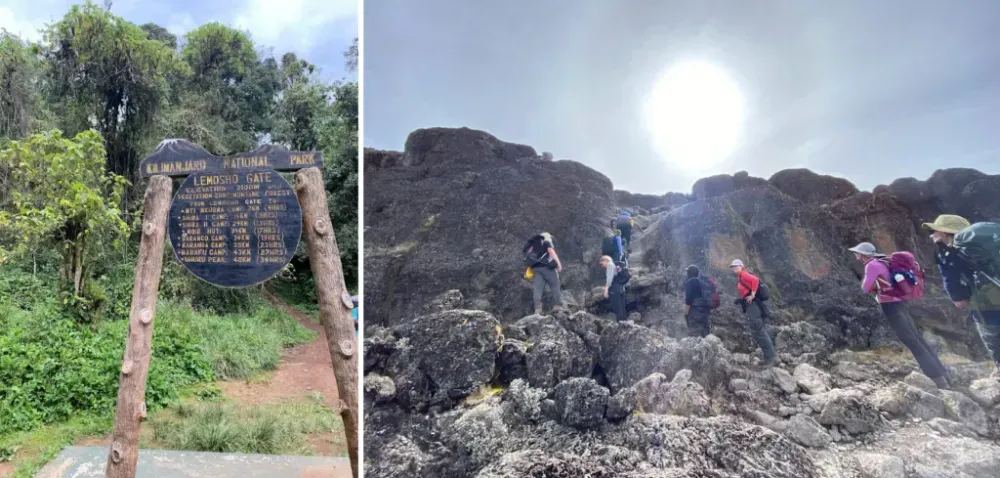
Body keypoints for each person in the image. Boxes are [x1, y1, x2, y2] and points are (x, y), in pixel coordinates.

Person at [849, 242, 951, 389]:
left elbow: (865, 288)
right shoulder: (884, 259)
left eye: (856, 252)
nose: (855, 254)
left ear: (863, 254)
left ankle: (939, 380)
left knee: (910, 340)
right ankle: (943, 375)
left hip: (890, 306)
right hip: (900, 303)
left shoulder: (871, 265)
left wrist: (873, 285)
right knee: (916, 337)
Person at [923, 215, 1000, 377]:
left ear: (945, 232)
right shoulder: (988, 245)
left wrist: (959, 297)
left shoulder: (948, 252)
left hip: (988, 311)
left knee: (995, 343)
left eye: (934, 231)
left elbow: (957, 294)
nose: (932, 235)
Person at [731, 259, 777, 367]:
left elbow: (755, 280)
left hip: (754, 306)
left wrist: (752, 294)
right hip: (751, 306)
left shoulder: (744, 275)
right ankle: (768, 357)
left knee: (758, 330)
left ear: (741, 266)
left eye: (736, 266)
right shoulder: (741, 276)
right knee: (756, 331)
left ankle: (771, 358)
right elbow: (745, 291)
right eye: (733, 267)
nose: (734, 268)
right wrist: (741, 299)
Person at [523, 232, 564, 315]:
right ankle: (557, 306)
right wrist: (558, 264)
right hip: (547, 267)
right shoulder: (546, 242)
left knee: (538, 288)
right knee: (555, 285)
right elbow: (551, 251)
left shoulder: (533, 245)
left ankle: (538, 309)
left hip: (536, 268)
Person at [683, 265, 716, 337]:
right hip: (705, 311)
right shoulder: (702, 283)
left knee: (694, 333)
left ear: (689, 273)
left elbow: (688, 300)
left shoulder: (690, 282)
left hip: (695, 311)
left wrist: (686, 313)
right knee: (705, 332)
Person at [600, 255, 628, 322]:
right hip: (621, 289)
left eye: (601, 263)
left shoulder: (609, 265)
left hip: (615, 290)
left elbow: (609, 278)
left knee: (617, 309)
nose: (601, 265)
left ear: (606, 260)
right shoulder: (616, 266)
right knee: (622, 309)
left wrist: (606, 289)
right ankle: (626, 325)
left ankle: (621, 326)